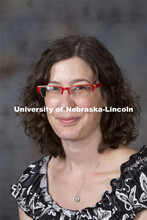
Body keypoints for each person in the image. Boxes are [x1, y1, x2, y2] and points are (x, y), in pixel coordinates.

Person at [11, 35, 147, 220]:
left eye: (80, 88)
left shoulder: (142, 181)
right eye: (54, 89)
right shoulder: (30, 186)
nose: (65, 103)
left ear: (107, 96)